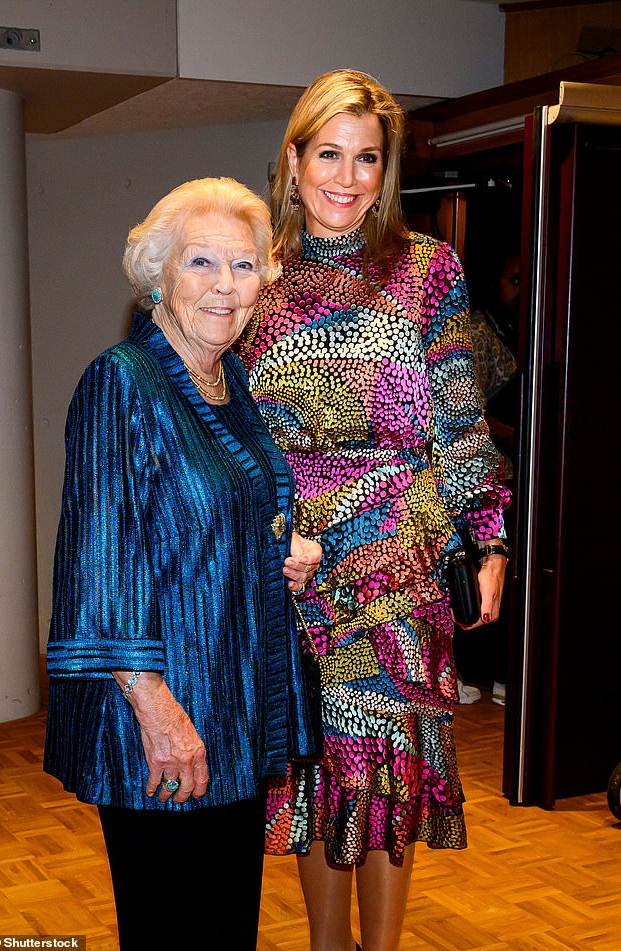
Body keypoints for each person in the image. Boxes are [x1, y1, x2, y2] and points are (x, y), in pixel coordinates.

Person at [237, 69, 511, 951]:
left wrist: (492, 538)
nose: (347, 178)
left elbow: (461, 419)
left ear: (386, 169)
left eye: (366, 158)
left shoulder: (428, 269)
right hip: (298, 568)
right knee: (316, 770)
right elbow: (233, 434)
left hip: (404, 565)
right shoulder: (256, 276)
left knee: (389, 772)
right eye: (329, 154)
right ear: (294, 157)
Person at [43, 177, 322, 951]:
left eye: (243, 266)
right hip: (163, 722)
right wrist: (155, 710)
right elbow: (99, 563)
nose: (225, 287)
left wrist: (278, 551)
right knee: (173, 927)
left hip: (229, 710)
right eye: (201, 262)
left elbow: (209, 518)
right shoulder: (122, 380)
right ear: (159, 274)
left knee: (226, 926)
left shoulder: (230, 383)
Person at [457, 250, 520, 705]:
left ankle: (499, 673)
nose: (519, 290)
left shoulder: (509, 331)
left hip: (496, 480)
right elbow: (468, 413)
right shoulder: (477, 332)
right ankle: (471, 671)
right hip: (466, 481)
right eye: (513, 278)